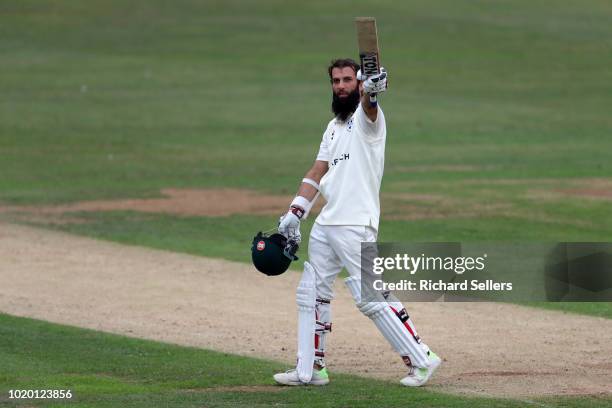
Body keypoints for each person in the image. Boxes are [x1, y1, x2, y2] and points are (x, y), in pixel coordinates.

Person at [273, 59, 441, 387]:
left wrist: (373, 94)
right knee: (311, 293)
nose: (340, 86)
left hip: (355, 223)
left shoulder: (368, 121)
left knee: (369, 296)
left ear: (360, 84)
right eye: (336, 81)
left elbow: (370, 107)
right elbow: (317, 171)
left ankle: (422, 359)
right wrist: (296, 211)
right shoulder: (333, 127)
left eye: (348, 80)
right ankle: (310, 370)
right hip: (328, 221)